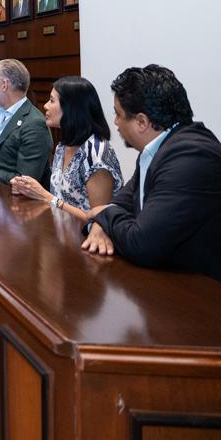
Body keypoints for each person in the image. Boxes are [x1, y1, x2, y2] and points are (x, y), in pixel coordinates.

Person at [81, 65, 221, 281]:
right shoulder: (158, 150)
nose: (115, 122)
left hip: (202, 290)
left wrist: (103, 214)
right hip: (166, 280)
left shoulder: (191, 157)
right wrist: (102, 221)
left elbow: (142, 244)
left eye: (118, 114)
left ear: (142, 122)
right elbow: (121, 203)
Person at [10, 76, 123, 220]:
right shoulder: (62, 146)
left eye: (52, 101)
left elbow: (100, 220)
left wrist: (45, 197)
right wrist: (28, 189)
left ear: (71, 108)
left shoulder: (96, 153)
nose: (45, 106)